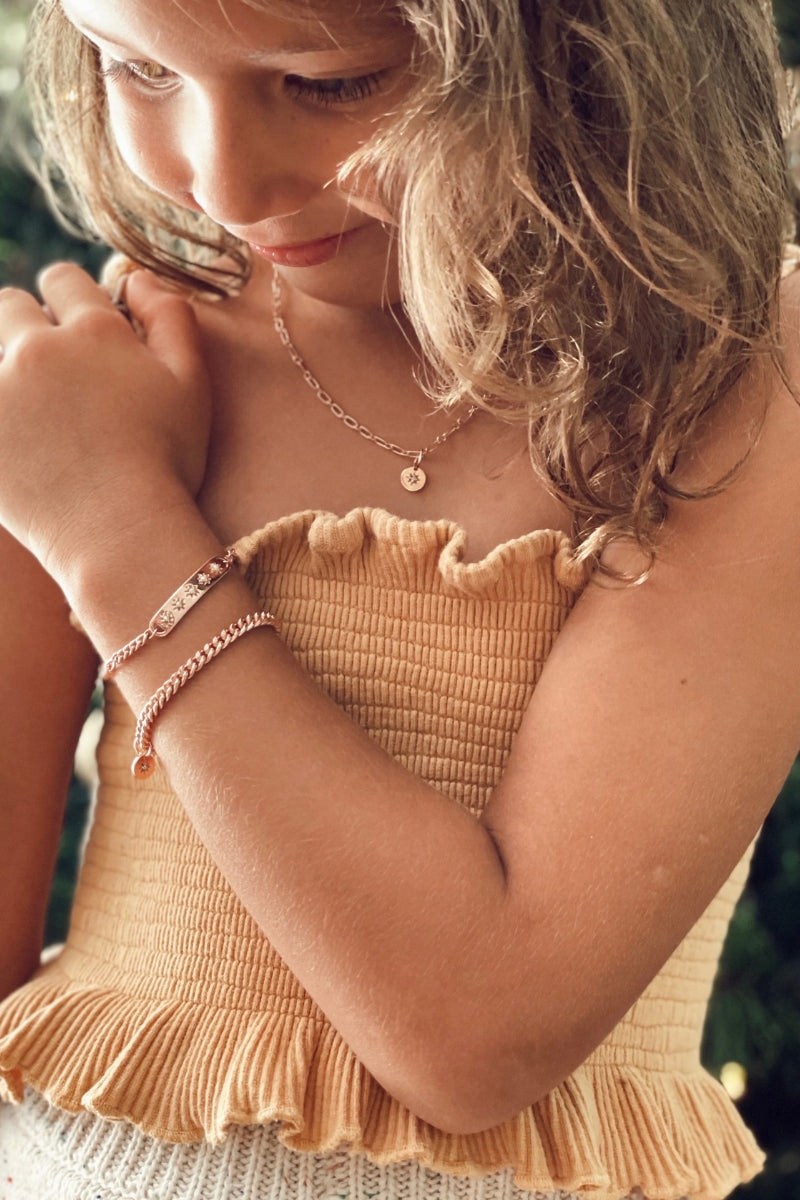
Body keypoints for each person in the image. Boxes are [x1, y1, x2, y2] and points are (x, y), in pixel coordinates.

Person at [0, 0, 798, 1197]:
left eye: (326, 82)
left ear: (589, 47)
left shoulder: (741, 376)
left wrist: (122, 536)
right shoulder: (100, 381)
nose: (223, 180)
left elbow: (478, 1033)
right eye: (138, 67)